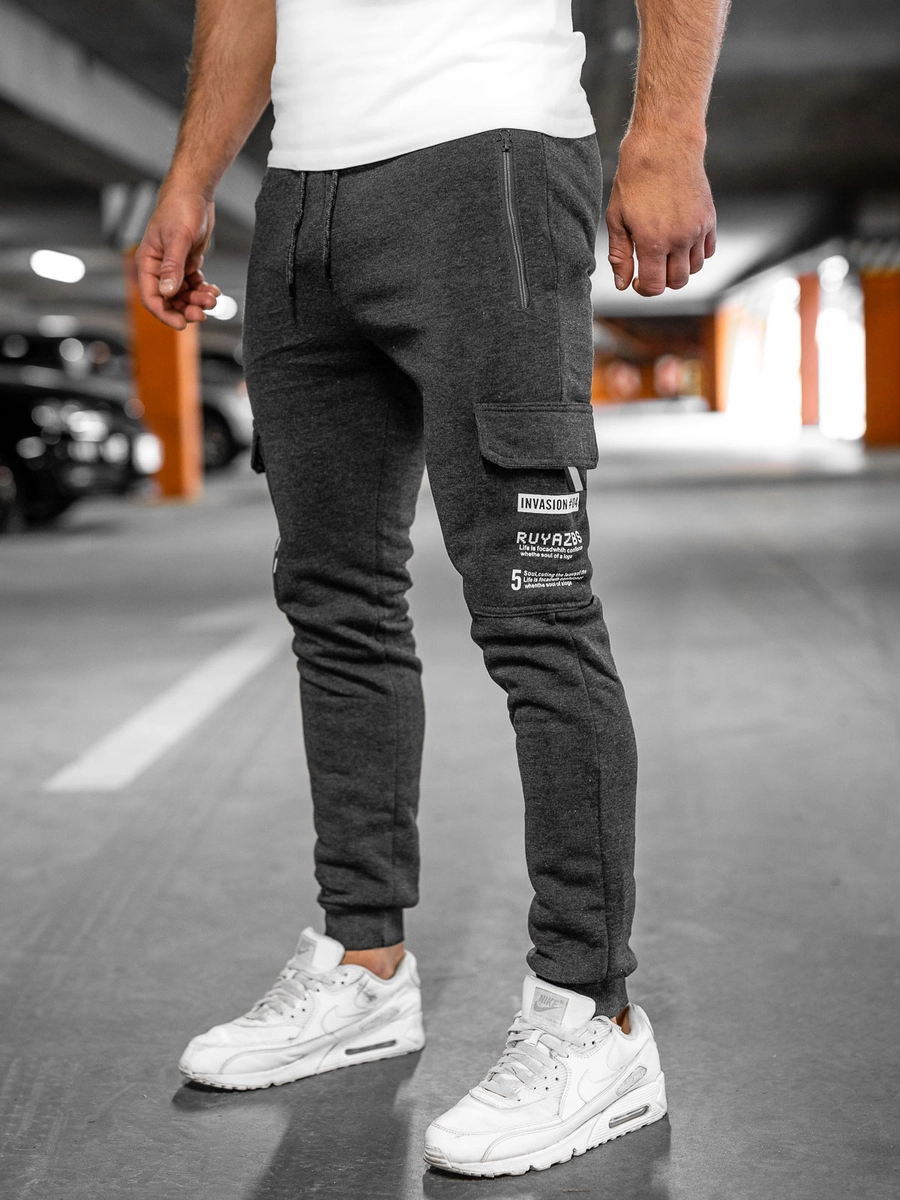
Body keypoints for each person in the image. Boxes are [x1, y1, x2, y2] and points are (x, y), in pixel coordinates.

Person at [137, 0, 727, 1178]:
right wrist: (192, 176)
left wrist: (668, 132)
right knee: (334, 603)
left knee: (535, 608)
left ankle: (593, 1015)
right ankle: (364, 964)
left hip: (487, 165)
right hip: (299, 202)